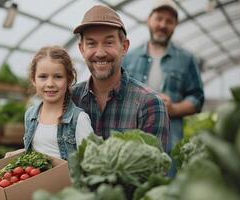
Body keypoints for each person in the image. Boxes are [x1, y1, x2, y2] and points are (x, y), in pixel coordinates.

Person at [71, 5, 170, 151]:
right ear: (82, 49)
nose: (100, 53)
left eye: (108, 42)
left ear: (124, 47)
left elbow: (153, 169)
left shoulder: (150, 105)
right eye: (91, 44)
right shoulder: (70, 99)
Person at [122, 0, 204, 153]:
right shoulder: (129, 58)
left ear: (175, 25)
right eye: (159, 18)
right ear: (149, 19)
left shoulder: (186, 59)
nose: (163, 25)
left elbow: (198, 98)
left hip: (170, 143)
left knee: (168, 176)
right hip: (133, 143)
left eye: (169, 21)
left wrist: (174, 108)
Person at [20, 46, 93, 160]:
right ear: (34, 80)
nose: (50, 83)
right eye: (43, 77)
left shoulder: (79, 120)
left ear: (69, 80)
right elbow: (37, 151)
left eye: (58, 77)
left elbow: (91, 162)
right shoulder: (30, 115)